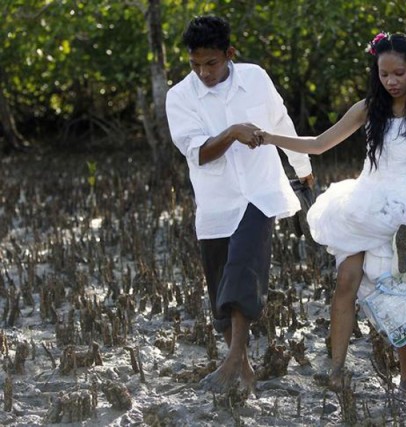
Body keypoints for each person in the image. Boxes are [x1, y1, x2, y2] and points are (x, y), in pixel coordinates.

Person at [254, 32, 406, 393]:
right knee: (346, 281)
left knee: (404, 291)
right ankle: (336, 370)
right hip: (365, 201)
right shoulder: (369, 108)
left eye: (398, 73)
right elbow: (320, 144)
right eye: (384, 74)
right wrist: (270, 138)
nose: (391, 81)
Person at [165, 15, 314, 393]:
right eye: (195, 64)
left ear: (230, 54)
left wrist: (303, 169)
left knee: (244, 269)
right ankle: (243, 369)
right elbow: (198, 153)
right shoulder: (180, 96)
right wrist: (233, 132)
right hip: (216, 203)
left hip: (260, 194)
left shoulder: (256, 78)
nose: (204, 72)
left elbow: (282, 123)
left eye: (211, 63)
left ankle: (231, 360)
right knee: (220, 286)